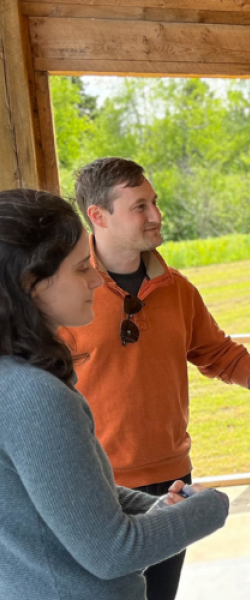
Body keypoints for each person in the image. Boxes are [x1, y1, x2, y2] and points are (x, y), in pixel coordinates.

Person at [60, 157, 250, 600]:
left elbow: (221, 356)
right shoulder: (63, 293)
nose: (157, 215)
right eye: (140, 206)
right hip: (93, 484)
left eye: (154, 202)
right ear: (98, 216)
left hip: (171, 478)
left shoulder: (177, 289)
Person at [0, 188, 229, 599]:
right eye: (80, 268)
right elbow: (113, 553)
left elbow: (59, 493)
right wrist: (211, 506)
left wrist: (149, 507)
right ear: (31, 284)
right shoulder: (33, 396)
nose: (94, 279)